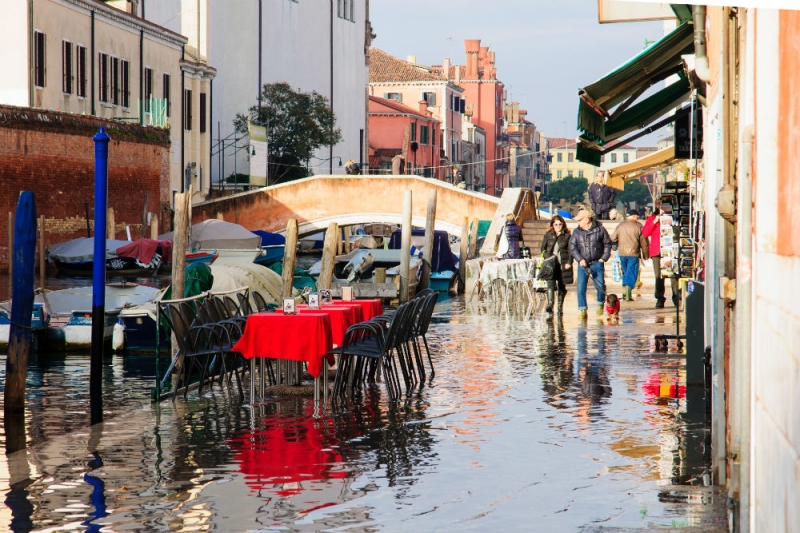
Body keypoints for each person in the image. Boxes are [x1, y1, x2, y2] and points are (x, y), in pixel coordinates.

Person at [568, 209, 612, 318]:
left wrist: (603, 258)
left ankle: (600, 303)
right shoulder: (576, 232)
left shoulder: (600, 229)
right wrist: (579, 259)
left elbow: (608, 243)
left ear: (587, 219)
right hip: (583, 263)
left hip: (597, 262)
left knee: (600, 285)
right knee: (581, 287)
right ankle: (582, 310)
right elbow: (572, 247)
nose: (578, 222)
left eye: (580, 220)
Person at [642, 206, 679, 308]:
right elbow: (645, 233)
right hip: (657, 251)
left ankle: (676, 297)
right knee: (659, 276)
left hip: (671, 251)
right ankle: (659, 298)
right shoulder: (652, 218)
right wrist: (655, 221)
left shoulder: (673, 217)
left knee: (673, 275)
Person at [611, 208, 649, 301]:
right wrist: (646, 254)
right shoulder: (639, 226)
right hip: (634, 253)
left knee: (625, 272)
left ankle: (625, 292)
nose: (638, 218)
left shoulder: (620, 226)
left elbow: (612, 238)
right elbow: (644, 242)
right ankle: (628, 293)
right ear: (634, 216)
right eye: (637, 216)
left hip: (622, 253)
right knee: (631, 273)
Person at [539, 215, 573, 317]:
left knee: (562, 286)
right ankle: (550, 304)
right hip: (551, 264)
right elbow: (543, 249)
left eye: (560, 224)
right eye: (556, 224)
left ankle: (559, 307)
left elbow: (571, 251)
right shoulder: (548, 235)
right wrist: (547, 258)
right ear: (552, 225)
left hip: (563, 264)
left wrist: (569, 262)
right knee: (550, 285)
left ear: (563, 224)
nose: (558, 226)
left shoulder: (567, 236)